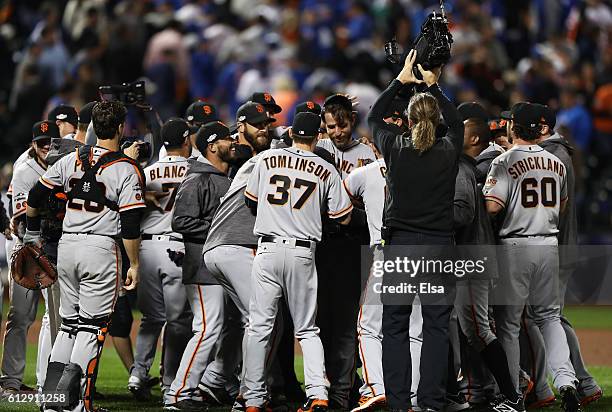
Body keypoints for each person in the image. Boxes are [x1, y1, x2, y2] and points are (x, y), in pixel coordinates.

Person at [27, 100, 145, 412]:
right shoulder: (126, 168)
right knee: (91, 328)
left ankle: (52, 401)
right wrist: (134, 263)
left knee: (68, 324)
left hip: (67, 247)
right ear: (120, 128)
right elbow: (131, 224)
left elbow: (36, 195)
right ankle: (76, 402)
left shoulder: (71, 159)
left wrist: (31, 232)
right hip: (100, 248)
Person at [367, 50, 463, 412]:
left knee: (394, 325)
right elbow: (457, 123)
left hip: (401, 247)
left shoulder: (394, 147)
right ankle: (432, 402)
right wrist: (435, 87)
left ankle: (397, 404)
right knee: (437, 326)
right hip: (439, 245)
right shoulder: (449, 148)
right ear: (436, 120)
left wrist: (400, 81)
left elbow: (374, 116)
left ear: (406, 120)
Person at [242, 111, 353, 412]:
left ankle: (252, 399)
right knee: (306, 329)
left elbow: (250, 200)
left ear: (291, 134)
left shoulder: (266, 159)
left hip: (267, 249)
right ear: (318, 137)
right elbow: (344, 217)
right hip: (303, 252)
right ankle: (318, 393)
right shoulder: (326, 168)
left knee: (259, 327)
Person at [483, 102, 582, 412]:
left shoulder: (504, 160)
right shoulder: (557, 162)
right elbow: (562, 206)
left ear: (515, 128)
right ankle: (566, 382)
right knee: (550, 318)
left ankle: (513, 396)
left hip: (516, 246)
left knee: (509, 325)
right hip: (548, 245)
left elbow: (491, 208)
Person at [200, 102, 281, 410]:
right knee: (264, 321)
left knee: (251, 321)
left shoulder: (255, 159)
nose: (265, 128)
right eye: (258, 123)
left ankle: (215, 380)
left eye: (267, 124)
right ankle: (250, 394)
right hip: (235, 247)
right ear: (241, 126)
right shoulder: (258, 160)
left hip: (220, 249)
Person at [452, 102, 525, 411]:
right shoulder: (465, 168)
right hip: (477, 255)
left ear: (474, 140)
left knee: (479, 330)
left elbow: (463, 214)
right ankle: (510, 389)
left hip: (471, 258)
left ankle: (512, 394)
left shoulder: (463, 171)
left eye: (461, 131)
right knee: (474, 329)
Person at [533, 105, 602, 407]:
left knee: (547, 318)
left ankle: (577, 383)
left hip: (555, 248)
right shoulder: (560, 152)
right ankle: (584, 383)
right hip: (559, 247)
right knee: (553, 317)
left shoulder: (554, 156)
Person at [166, 120, 236, 410]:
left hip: (219, 267)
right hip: (202, 266)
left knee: (221, 327)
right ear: (211, 146)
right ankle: (178, 393)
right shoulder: (197, 177)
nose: (232, 143)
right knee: (207, 328)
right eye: (226, 140)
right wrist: (218, 228)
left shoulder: (224, 176)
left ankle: (206, 384)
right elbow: (180, 221)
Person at [315, 92, 375, 409]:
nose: (338, 132)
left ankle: (345, 389)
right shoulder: (317, 148)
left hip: (355, 242)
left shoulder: (367, 151)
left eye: (342, 125)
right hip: (322, 243)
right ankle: (329, 384)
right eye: (331, 126)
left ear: (352, 121)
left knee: (349, 321)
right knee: (322, 320)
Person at [128, 118, 193, 400]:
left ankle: (138, 373)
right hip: (176, 249)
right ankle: (169, 382)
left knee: (151, 318)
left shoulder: (146, 171)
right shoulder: (195, 170)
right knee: (178, 320)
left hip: (146, 248)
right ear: (187, 139)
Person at [0, 121, 61, 394]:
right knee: (21, 315)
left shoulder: (63, 161)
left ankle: (49, 381)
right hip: (25, 249)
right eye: (42, 142)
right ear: (33, 144)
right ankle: (11, 382)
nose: (47, 146)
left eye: (51, 141)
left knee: (55, 315)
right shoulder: (25, 168)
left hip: (51, 247)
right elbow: (24, 217)